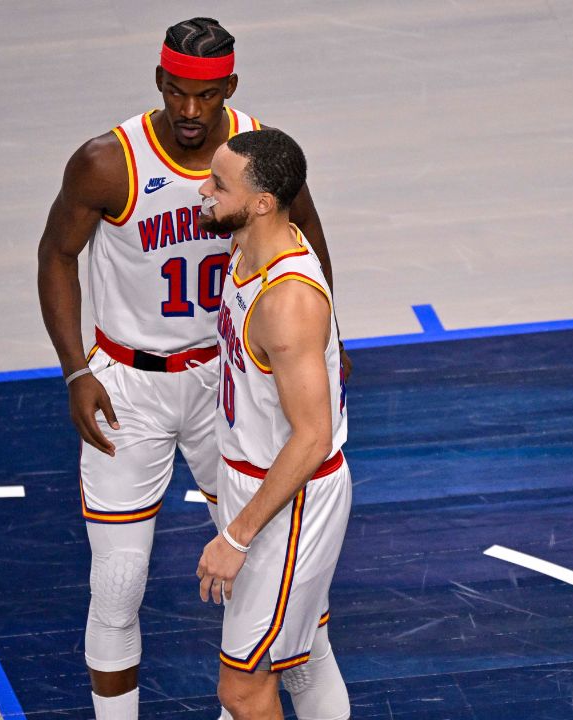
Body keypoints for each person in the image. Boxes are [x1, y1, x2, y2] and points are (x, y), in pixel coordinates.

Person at [35, 18, 341, 720]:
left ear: (230, 88)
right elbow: (57, 253)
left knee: (286, 597)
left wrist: (327, 342)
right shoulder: (107, 162)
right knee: (117, 583)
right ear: (159, 84)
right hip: (127, 384)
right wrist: (75, 371)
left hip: (230, 385)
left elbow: (308, 238)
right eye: (178, 93)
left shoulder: (258, 159)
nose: (191, 111)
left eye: (207, 96)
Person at [196, 129, 352, 719]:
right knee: (306, 655)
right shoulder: (247, 247)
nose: (203, 192)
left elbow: (311, 437)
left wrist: (236, 536)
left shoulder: (287, 301)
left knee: (240, 686)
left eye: (219, 184)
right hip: (256, 482)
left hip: (291, 500)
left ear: (263, 202)